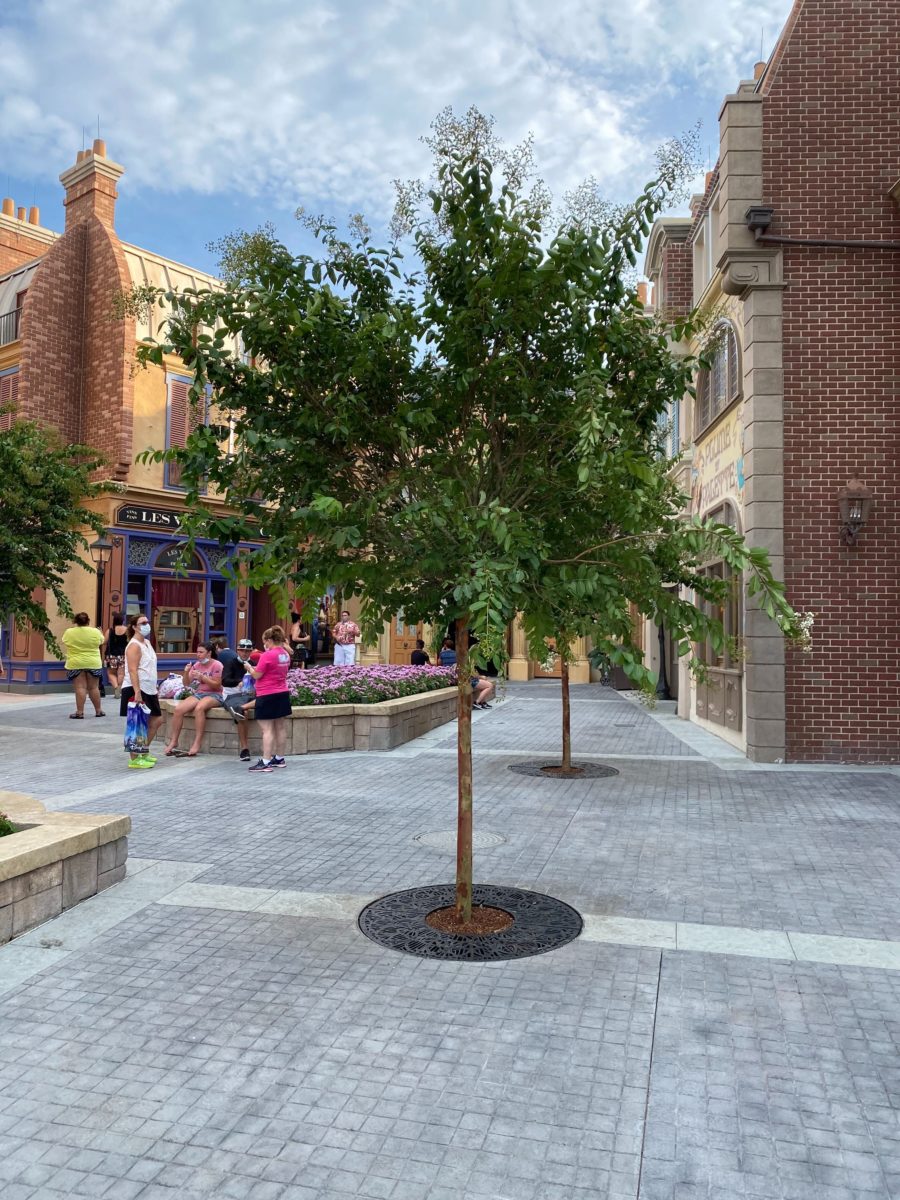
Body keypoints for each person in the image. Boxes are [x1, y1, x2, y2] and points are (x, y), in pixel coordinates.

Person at [243, 625, 292, 772]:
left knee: (267, 730)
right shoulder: (285, 654)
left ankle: (265, 761)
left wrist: (249, 668)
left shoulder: (267, 655)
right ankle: (280, 758)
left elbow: (257, 675)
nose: (265, 644)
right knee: (280, 728)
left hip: (267, 693)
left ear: (269, 640)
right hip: (282, 692)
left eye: (265, 641)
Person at [164, 640, 224, 756]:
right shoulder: (197, 665)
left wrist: (203, 678)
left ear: (209, 653)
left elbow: (217, 685)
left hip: (215, 694)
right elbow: (186, 684)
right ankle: (174, 741)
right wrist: (186, 672)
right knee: (178, 709)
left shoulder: (217, 665)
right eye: (197, 652)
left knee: (199, 708)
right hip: (200, 693)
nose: (198, 655)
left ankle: (197, 743)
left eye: (201, 652)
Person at [121, 614, 161, 768]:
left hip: (149, 688)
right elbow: (132, 670)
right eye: (143, 623)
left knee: (156, 720)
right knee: (138, 724)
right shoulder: (133, 646)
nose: (146, 625)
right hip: (137, 687)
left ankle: (143, 751)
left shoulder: (147, 643)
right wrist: (137, 692)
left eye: (147, 622)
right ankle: (134, 758)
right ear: (134, 627)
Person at [220, 637, 258, 761]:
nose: (245, 653)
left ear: (251, 652)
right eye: (242, 650)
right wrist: (239, 682)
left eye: (247, 651)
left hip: (248, 695)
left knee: (269, 700)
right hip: (232, 694)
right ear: (238, 650)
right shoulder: (231, 662)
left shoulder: (252, 664)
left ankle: (237, 709)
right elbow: (225, 681)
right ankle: (244, 748)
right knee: (244, 712)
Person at [62, 612, 105, 719]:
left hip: (76, 662)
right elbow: (101, 641)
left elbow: (65, 642)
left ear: (75, 621)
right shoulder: (95, 631)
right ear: (88, 621)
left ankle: (80, 712)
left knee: (80, 687)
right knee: (94, 687)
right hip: (93, 662)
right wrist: (100, 632)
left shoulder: (69, 632)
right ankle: (98, 711)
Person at [103, 613, 130, 699]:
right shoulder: (127, 630)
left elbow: (104, 642)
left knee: (111, 673)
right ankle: (120, 687)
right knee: (121, 673)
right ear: (123, 621)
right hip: (124, 655)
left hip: (111, 655)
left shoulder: (110, 631)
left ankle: (115, 687)